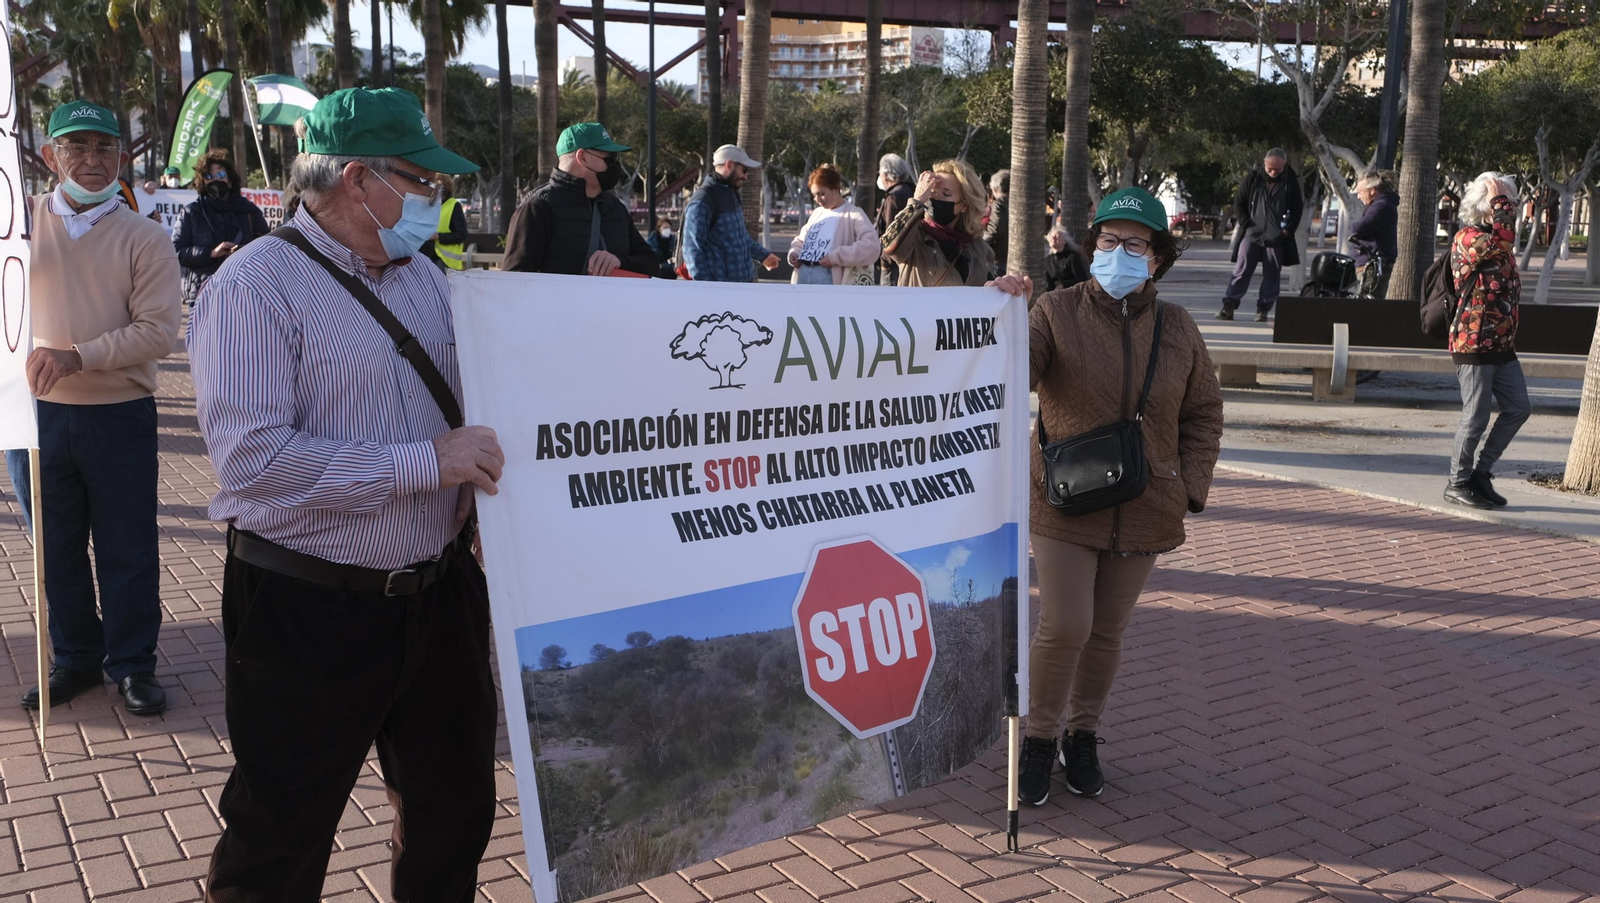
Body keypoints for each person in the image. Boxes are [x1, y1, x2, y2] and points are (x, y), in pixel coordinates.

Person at [187, 86, 502, 900]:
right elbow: (252, 460)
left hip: (439, 595)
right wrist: (424, 465)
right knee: (280, 832)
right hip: (305, 604)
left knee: (454, 809)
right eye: (423, 181)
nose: (437, 199)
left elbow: (472, 407)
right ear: (361, 180)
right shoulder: (255, 286)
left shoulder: (427, 279)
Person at [1019, 187, 1223, 804]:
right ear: (1091, 246)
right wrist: (996, 314)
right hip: (1063, 498)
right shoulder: (1054, 312)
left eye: (1135, 244)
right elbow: (1012, 372)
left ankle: (1083, 736)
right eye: (1109, 241)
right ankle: (1037, 739)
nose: (1119, 253)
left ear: (1156, 257)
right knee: (1066, 625)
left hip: (1144, 503)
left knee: (1107, 631)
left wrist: (1187, 484)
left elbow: (1204, 413)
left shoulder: (1179, 327)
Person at [19, 100, 182, 716]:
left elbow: (158, 331)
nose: (91, 160)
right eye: (76, 147)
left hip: (118, 413)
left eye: (103, 148)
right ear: (49, 156)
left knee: (127, 547)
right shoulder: (20, 228)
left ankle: (134, 665)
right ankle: (74, 661)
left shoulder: (145, 237)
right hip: (38, 418)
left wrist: (76, 356)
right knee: (55, 547)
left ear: (121, 157)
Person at [1444, 172, 1528, 511]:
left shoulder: (1497, 241)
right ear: (1488, 206)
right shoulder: (1469, 238)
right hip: (1474, 342)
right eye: (1506, 201)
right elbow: (1506, 235)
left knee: (1519, 408)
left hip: (1501, 345)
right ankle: (1457, 482)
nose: (1513, 207)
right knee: (1475, 416)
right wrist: (1499, 199)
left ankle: (1481, 474)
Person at [502, 122, 658, 276]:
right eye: (609, 158)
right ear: (582, 157)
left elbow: (651, 264)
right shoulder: (537, 207)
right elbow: (515, 280)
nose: (615, 165)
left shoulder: (615, 207)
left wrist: (620, 261)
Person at [172, 149, 271, 304]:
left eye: (220, 175)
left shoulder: (249, 211)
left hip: (244, 291)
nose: (215, 181)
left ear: (230, 180)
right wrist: (210, 253)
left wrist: (242, 252)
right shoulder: (191, 212)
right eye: (209, 177)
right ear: (203, 182)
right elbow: (177, 252)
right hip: (203, 295)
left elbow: (267, 248)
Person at [879, 158, 995, 287]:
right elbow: (889, 247)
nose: (937, 199)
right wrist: (917, 202)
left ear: (964, 205)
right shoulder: (915, 237)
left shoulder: (979, 248)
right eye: (932, 193)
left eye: (946, 194)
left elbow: (988, 290)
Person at [1221, 148, 1303, 321]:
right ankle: (1229, 305)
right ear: (1264, 163)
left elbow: (1297, 208)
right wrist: (1246, 223)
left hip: (1277, 237)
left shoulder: (1291, 181)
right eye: (1270, 169)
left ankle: (1263, 309)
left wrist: (1286, 231)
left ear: (1284, 165)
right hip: (1252, 233)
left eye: (1277, 170)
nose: (1273, 173)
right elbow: (1239, 203)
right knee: (1242, 269)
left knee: (1272, 272)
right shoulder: (1253, 178)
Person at [683, 144, 780, 282]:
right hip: (720, 292)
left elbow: (741, 237)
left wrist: (763, 256)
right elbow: (692, 250)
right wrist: (706, 288)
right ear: (729, 165)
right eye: (744, 170)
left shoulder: (731, 193)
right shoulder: (702, 201)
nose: (746, 177)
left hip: (741, 287)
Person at [787, 164, 881, 286]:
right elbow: (801, 240)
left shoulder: (854, 214)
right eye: (814, 195)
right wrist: (795, 252)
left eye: (822, 194)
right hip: (804, 274)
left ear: (836, 189)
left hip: (828, 276)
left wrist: (836, 257)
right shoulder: (817, 213)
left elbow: (872, 246)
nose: (817, 199)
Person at [1350, 170, 1399, 300]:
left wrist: (1352, 228)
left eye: (1360, 191)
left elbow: (1358, 229)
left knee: (1368, 306)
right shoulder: (1381, 205)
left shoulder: (1381, 206)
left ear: (1372, 190)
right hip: (1371, 264)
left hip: (1373, 266)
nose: (1359, 196)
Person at [874, 154, 916, 286]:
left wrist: (885, 263)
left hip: (893, 265)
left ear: (885, 175)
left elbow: (891, 233)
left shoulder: (893, 197)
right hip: (909, 259)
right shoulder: (910, 190)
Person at [422, 174, 468, 271]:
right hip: (425, 256)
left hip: (444, 261)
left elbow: (461, 235)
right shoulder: (427, 205)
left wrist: (438, 236)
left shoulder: (453, 205)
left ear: (444, 190)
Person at [1041, 224, 1089, 293]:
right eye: (1051, 236)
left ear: (1064, 241)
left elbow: (1082, 278)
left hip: (1071, 293)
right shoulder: (1047, 260)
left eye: (1057, 236)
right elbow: (1048, 282)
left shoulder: (1072, 257)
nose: (1053, 238)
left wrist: (1063, 285)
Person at [984, 169, 1010, 277]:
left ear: (994, 189)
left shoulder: (998, 204)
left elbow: (995, 228)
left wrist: (981, 242)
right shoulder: (1017, 201)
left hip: (999, 257)